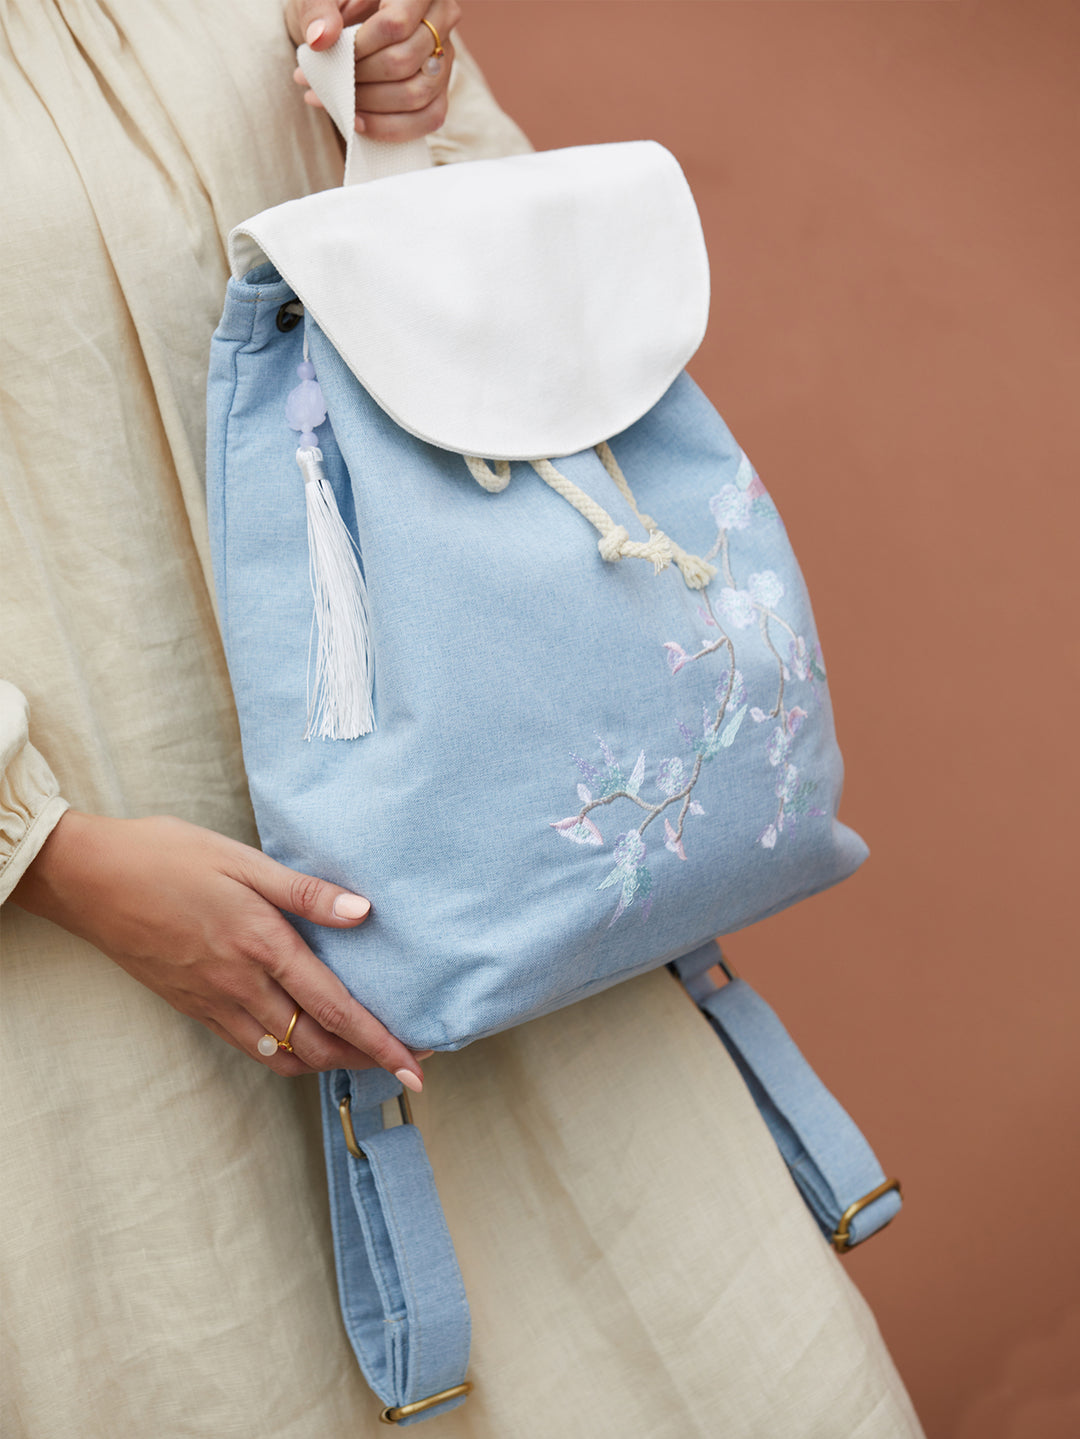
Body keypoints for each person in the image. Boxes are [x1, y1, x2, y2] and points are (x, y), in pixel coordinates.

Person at [0, 2, 926, 1434]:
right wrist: (53, 854)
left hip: (490, 867)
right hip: (88, 917)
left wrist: (407, 111)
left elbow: (514, 315)